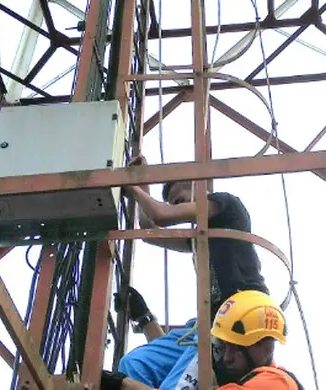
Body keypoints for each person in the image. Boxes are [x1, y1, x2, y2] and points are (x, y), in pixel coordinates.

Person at [114, 155, 271, 390]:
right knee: (134, 365)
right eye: (173, 202)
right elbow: (149, 232)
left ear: (201, 186)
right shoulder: (198, 238)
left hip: (241, 313)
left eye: (181, 196)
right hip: (209, 322)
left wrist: (132, 187)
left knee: (175, 387)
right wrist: (141, 182)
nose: (177, 204)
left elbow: (160, 215)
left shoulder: (226, 206)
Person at [102, 290, 302, 390]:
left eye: (236, 348)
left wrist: (120, 383)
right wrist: (145, 319)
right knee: (133, 364)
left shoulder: (275, 383)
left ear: (265, 346)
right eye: (223, 347)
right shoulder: (237, 375)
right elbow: (173, 374)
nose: (227, 357)